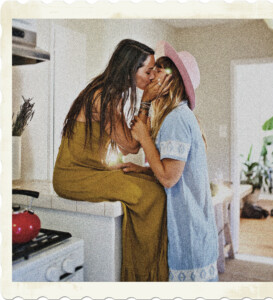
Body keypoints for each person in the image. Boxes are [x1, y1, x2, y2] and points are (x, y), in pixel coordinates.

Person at [53, 39, 172, 281]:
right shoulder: (103, 96)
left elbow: (127, 145)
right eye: (148, 71)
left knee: (152, 183)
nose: (151, 77)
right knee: (151, 195)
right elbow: (130, 145)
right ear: (130, 69)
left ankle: (150, 269)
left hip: (91, 170)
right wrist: (146, 101)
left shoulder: (108, 92)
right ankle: (142, 273)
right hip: (72, 176)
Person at [119, 41, 219, 282]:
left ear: (174, 81)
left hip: (190, 234)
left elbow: (168, 178)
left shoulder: (175, 119)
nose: (153, 73)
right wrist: (141, 170)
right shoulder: (180, 115)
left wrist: (143, 137)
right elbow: (174, 171)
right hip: (197, 232)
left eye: (162, 69)